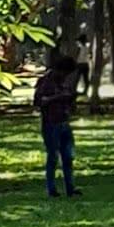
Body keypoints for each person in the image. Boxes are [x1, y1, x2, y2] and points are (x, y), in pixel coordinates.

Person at [33, 48, 81, 199]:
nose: (66, 77)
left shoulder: (64, 83)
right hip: (51, 123)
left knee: (68, 157)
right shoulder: (45, 82)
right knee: (53, 157)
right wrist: (58, 97)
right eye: (65, 73)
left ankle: (70, 188)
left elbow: (68, 99)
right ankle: (51, 189)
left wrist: (71, 101)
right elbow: (39, 102)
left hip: (64, 122)